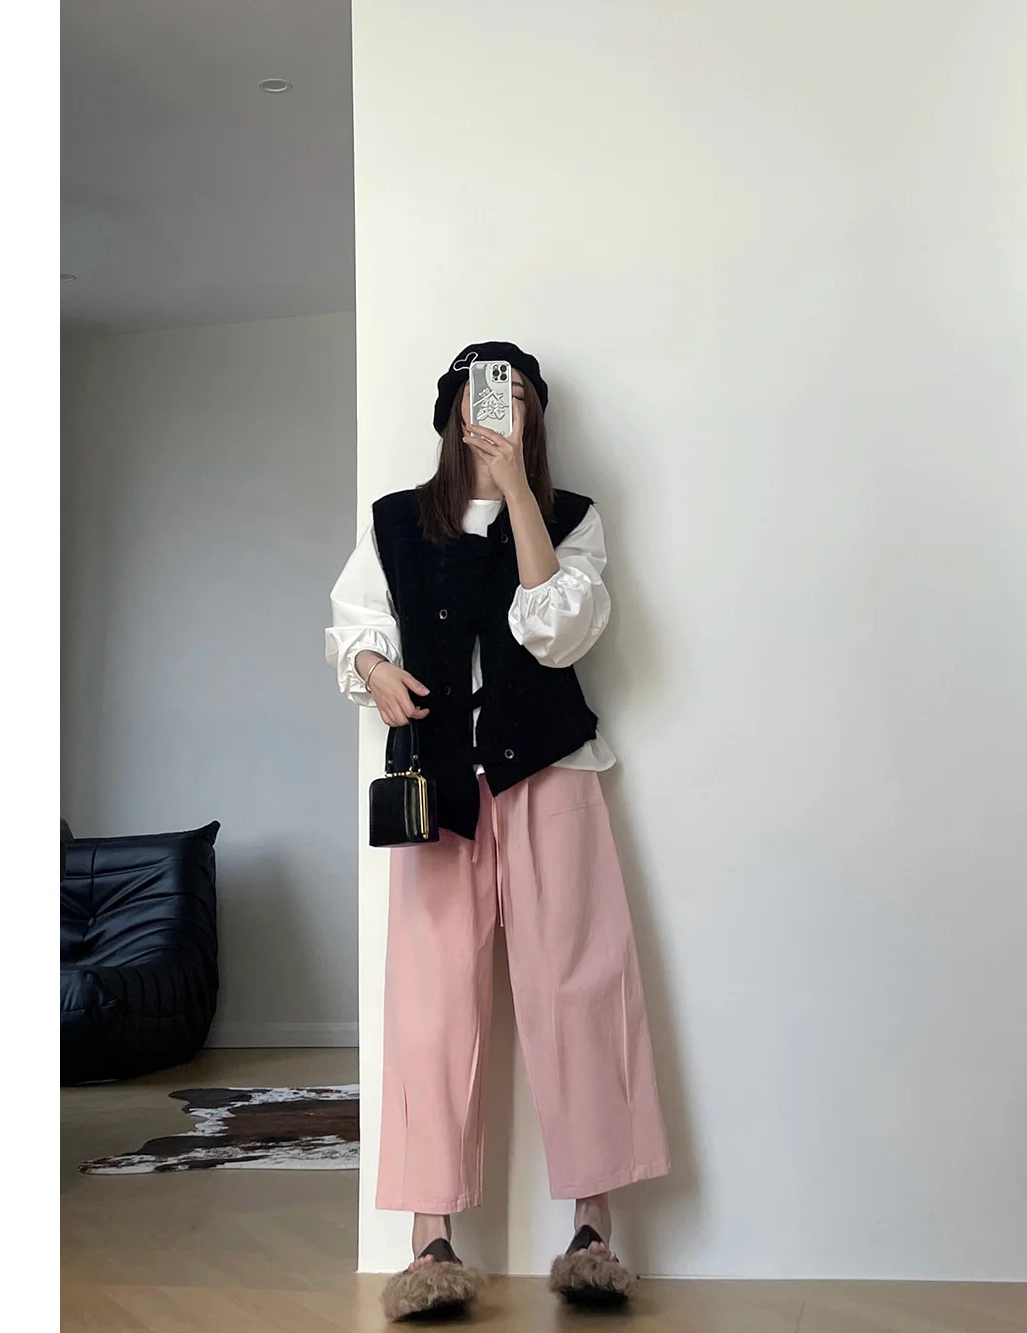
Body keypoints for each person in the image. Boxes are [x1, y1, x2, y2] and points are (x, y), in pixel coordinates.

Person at [325, 341, 669, 1322]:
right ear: (451, 411)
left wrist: (517, 488)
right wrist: (373, 671)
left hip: (551, 774)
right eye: (483, 393)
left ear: (534, 417)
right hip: (439, 789)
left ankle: (594, 1228)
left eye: (515, 395)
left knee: (580, 987)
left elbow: (557, 632)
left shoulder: (570, 517)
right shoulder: (396, 520)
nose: (497, 407)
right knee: (430, 1003)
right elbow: (355, 622)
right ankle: (428, 1238)